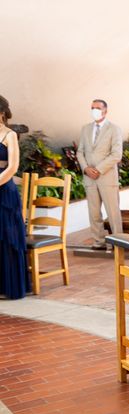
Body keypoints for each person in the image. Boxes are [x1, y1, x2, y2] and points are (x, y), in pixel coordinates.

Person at [76, 99, 123, 250]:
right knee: (94, 213)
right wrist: (85, 168)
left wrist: (99, 169)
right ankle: (98, 242)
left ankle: (119, 243)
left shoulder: (114, 129)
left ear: (105, 111)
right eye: (92, 108)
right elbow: (80, 151)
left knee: (113, 213)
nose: (94, 110)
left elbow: (116, 154)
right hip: (89, 178)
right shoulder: (85, 129)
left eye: (97, 108)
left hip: (107, 177)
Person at [0, 95, 30, 299]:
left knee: (6, 238)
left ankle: (8, 286)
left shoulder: (9, 135)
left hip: (5, 192)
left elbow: (12, 167)